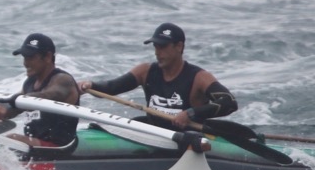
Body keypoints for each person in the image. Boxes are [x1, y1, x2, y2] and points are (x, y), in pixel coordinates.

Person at [78, 22, 237, 129]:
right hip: (155, 133)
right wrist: (91, 86)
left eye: (162, 47)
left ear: (179, 46)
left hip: (187, 138)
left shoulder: (199, 78)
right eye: (155, 46)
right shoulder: (145, 71)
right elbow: (111, 88)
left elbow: (229, 102)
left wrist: (190, 113)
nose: (157, 52)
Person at [0, 33, 79, 147]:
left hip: (61, 148)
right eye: (24, 57)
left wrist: (11, 104)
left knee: (12, 138)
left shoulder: (63, 80)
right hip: (36, 145)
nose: (25, 63)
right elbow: (15, 107)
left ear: (48, 57)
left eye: (31, 58)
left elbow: (46, 96)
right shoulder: (30, 83)